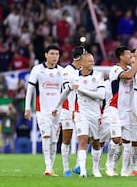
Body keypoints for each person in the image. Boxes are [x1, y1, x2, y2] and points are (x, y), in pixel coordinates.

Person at [53, 52, 105, 178]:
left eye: (93, 61)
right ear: (82, 63)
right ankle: (82, 170)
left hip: (95, 114)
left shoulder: (98, 76)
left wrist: (82, 90)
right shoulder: (75, 77)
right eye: (89, 61)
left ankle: (95, 169)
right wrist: (56, 106)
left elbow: (101, 95)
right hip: (81, 113)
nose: (92, 63)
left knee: (96, 143)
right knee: (82, 140)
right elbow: (66, 92)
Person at [24, 44, 64, 176]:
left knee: (54, 140)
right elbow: (30, 89)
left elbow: (66, 92)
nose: (54, 57)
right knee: (46, 136)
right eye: (52, 54)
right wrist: (27, 108)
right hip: (42, 110)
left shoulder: (62, 71)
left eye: (57, 54)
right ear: (46, 55)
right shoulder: (37, 70)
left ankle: (51, 168)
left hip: (57, 112)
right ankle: (47, 167)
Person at [105, 46, 137, 177]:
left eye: (132, 55)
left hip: (128, 111)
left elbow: (136, 74)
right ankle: (109, 164)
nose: (130, 57)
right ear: (121, 56)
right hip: (115, 109)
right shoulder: (116, 69)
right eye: (128, 55)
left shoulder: (130, 69)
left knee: (126, 142)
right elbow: (128, 75)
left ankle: (124, 169)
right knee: (116, 139)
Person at [59, 46, 85, 177]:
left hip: (81, 109)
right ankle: (65, 169)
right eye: (85, 55)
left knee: (85, 138)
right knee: (67, 139)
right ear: (80, 57)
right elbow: (68, 91)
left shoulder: (83, 71)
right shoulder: (67, 71)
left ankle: (78, 165)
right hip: (68, 109)